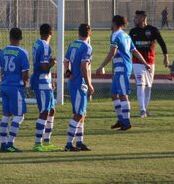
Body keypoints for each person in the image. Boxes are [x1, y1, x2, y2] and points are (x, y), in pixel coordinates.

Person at [97, 15, 149, 131]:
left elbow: (112, 53)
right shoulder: (126, 36)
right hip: (121, 68)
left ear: (114, 23)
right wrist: (145, 63)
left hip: (122, 67)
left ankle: (126, 122)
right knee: (114, 94)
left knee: (122, 95)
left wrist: (101, 66)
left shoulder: (115, 35)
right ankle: (121, 120)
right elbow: (134, 51)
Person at [128, 10, 169, 117]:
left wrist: (166, 57)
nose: (135, 19)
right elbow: (129, 47)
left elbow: (162, 43)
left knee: (148, 86)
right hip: (137, 63)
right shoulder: (133, 32)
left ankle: (145, 110)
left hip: (150, 62)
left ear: (142, 18)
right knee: (140, 85)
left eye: (137, 17)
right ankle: (142, 110)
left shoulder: (153, 30)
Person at [0, 28, 30, 153]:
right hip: (15, 86)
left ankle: (3, 144)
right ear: (20, 38)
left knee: (6, 115)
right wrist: (25, 82)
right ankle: (10, 144)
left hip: (4, 85)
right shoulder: (22, 52)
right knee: (19, 116)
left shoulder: (3, 51)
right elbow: (25, 72)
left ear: (9, 37)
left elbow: (1, 69)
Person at [63, 23, 94, 151]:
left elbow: (65, 61)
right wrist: (89, 84)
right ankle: (69, 144)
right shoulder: (87, 47)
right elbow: (83, 67)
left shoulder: (73, 44)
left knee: (82, 113)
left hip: (73, 82)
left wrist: (68, 72)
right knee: (78, 114)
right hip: (79, 83)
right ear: (89, 33)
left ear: (78, 32)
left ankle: (80, 142)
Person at [31, 23, 58, 151]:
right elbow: (43, 66)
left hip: (45, 82)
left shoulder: (37, 43)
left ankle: (47, 141)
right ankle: (38, 143)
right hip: (41, 82)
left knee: (51, 110)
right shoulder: (45, 46)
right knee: (44, 112)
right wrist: (52, 63)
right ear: (51, 34)